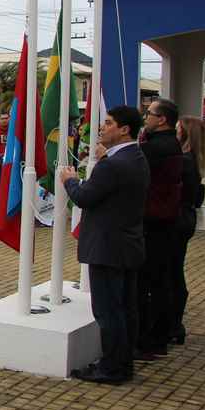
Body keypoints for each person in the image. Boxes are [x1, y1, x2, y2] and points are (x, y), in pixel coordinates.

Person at [61, 105, 149, 384]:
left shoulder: (113, 165)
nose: (102, 127)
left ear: (124, 130)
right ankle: (121, 362)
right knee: (125, 308)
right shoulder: (135, 157)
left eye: (109, 123)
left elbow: (86, 197)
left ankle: (112, 368)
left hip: (108, 246)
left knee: (109, 310)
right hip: (126, 244)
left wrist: (70, 181)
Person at [137, 98, 183, 360]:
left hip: (153, 223)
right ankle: (158, 336)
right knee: (160, 281)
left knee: (148, 284)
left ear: (162, 119)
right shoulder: (168, 144)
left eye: (150, 114)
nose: (147, 117)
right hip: (164, 222)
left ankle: (148, 339)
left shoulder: (156, 148)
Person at [172, 116, 205, 346]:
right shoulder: (192, 159)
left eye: (177, 129)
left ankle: (173, 324)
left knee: (172, 274)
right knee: (174, 271)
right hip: (186, 219)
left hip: (178, 221)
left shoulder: (184, 161)